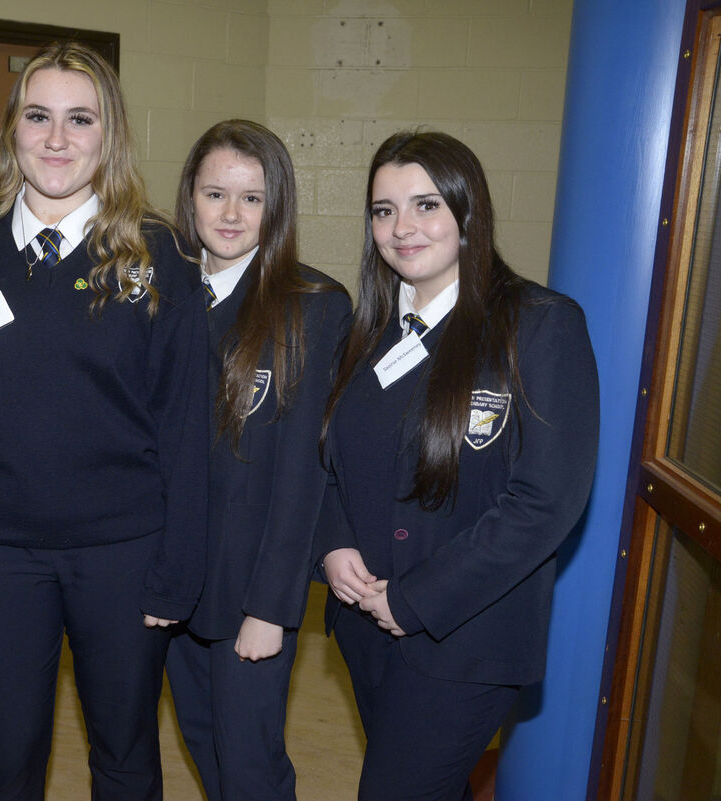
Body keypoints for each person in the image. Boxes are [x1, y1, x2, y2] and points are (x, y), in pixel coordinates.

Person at [0, 41, 209, 801]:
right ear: (12, 128)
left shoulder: (158, 254)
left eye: (80, 120)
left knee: (124, 751)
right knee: (4, 753)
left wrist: (177, 571)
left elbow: (184, 425)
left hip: (123, 553)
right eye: (38, 116)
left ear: (108, 135)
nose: (56, 139)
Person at [318, 130, 600, 801]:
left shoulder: (539, 325)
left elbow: (545, 501)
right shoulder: (370, 331)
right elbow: (332, 463)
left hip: (465, 640)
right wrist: (331, 545)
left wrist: (414, 599)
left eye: (425, 205)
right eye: (384, 211)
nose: (402, 227)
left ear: (467, 212)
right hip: (366, 627)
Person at [162, 120, 350, 801]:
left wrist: (273, 605)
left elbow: (304, 472)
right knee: (206, 747)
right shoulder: (161, 295)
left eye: (252, 198)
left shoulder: (313, 306)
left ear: (278, 207)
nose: (231, 214)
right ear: (190, 199)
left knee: (250, 766)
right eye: (215, 194)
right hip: (174, 583)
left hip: (250, 588)